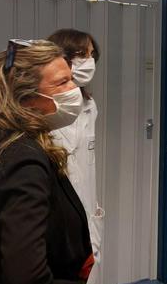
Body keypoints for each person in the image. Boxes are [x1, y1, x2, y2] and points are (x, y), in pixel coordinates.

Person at [0, 39, 94, 284]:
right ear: (26, 98)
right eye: (62, 82)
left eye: (72, 78)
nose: (74, 89)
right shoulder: (22, 159)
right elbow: (27, 277)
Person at [48, 29, 104, 284]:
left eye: (92, 55)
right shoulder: (40, 108)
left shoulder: (90, 106)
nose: (89, 61)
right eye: (81, 54)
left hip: (86, 218)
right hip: (53, 221)